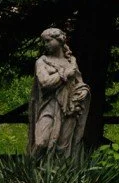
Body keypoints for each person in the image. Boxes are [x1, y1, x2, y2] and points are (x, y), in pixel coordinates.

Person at [28, 27, 90, 158]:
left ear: (60, 40)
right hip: (48, 107)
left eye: (48, 41)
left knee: (62, 148)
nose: (45, 45)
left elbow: (79, 82)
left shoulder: (71, 62)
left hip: (69, 108)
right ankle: (30, 172)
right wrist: (65, 74)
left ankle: (58, 175)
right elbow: (45, 83)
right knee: (41, 143)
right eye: (44, 42)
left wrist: (83, 91)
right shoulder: (42, 62)